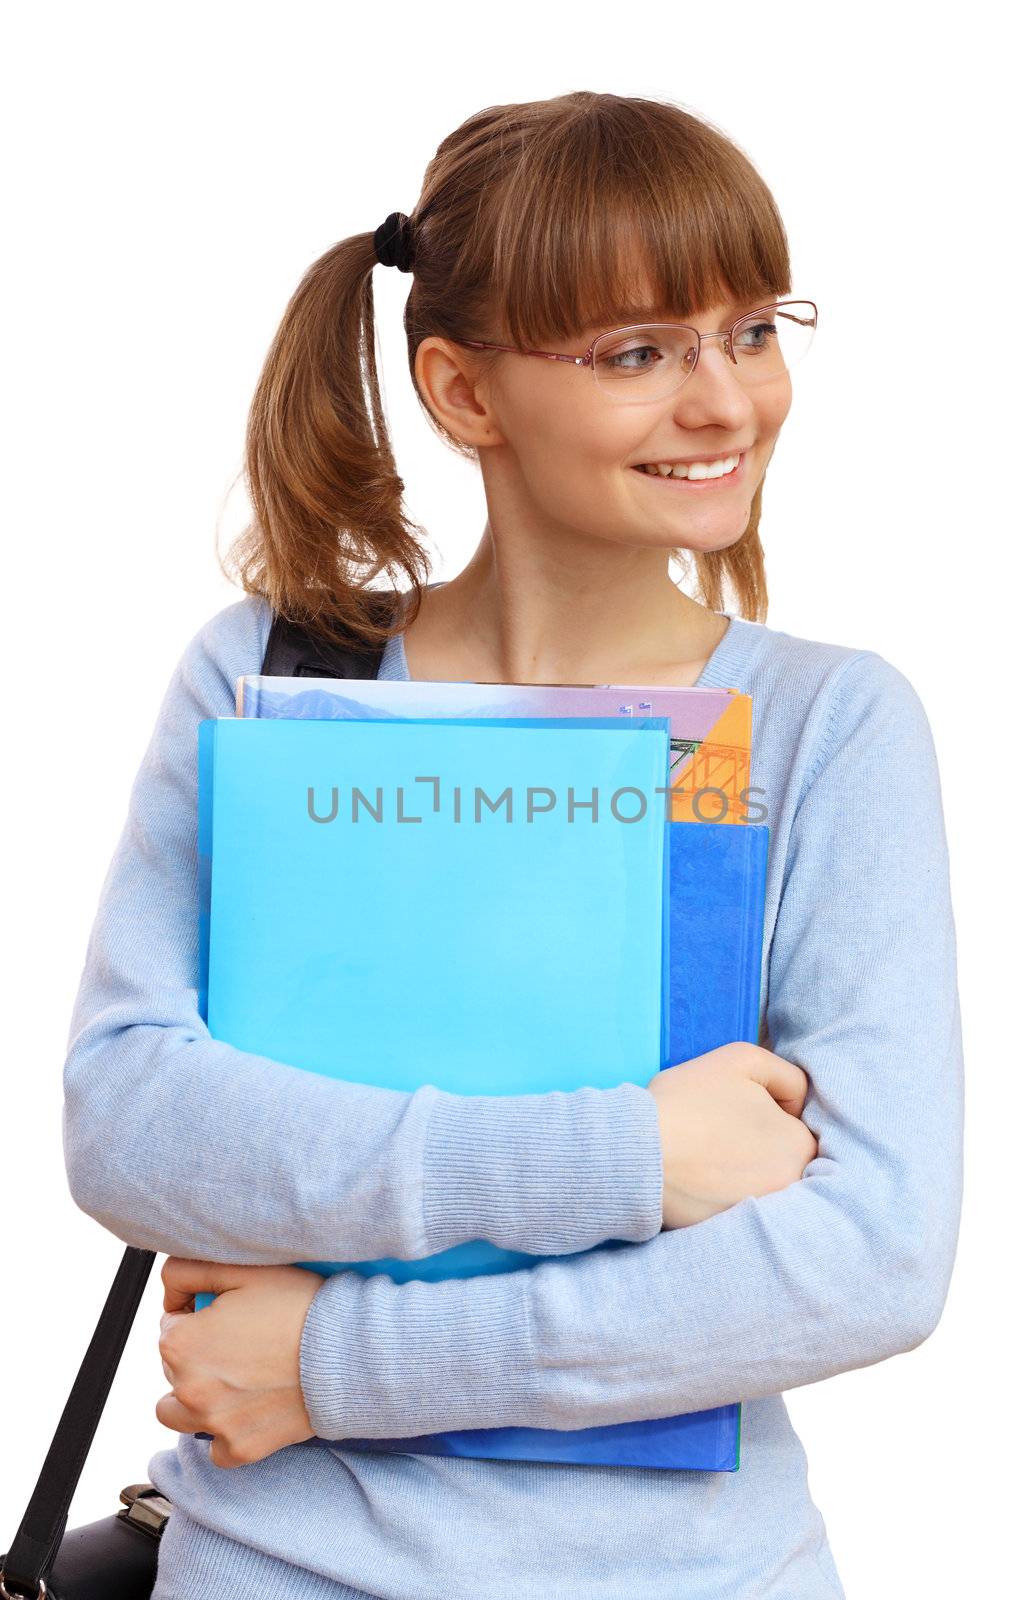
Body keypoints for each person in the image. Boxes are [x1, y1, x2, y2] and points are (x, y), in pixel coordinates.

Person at [62, 90, 964, 1599]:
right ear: (464, 393)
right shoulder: (279, 682)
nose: (727, 403)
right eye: (637, 352)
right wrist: (629, 1157)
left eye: (751, 329)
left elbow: (870, 1255)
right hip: (273, 1570)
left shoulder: (829, 726)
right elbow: (133, 1123)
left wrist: (343, 1360)